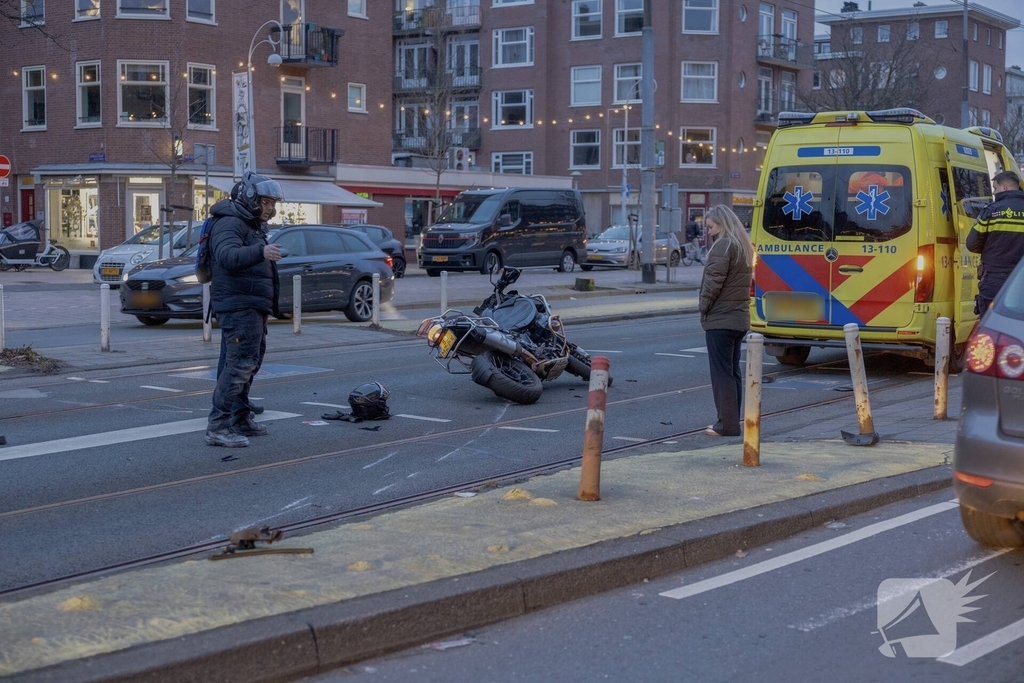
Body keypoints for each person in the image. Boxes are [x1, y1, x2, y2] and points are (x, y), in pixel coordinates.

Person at [205, 171, 285, 448]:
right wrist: (260, 253)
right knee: (240, 365)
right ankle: (218, 426)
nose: (270, 208)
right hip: (239, 305)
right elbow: (227, 257)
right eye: (265, 202)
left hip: (250, 304)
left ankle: (240, 417)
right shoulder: (230, 223)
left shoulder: (250, 224)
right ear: (249, 197)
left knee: (247, 363)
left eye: (272, 203)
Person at [698, 204, 754, 437]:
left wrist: (703, 308)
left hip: (721, 319)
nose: (708, 231)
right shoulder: (743, 246)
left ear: (722, 223)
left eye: (710, 226)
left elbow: (713, 282)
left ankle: (726, 424)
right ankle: (732, 422)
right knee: (732, 373)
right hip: (738, 319)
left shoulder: (723, 245)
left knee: (721, 374)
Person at [967, 170, 1024, 315]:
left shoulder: (991, 211)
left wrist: (992, 247)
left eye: (995, 188)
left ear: (1004, 187)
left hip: (994, 278)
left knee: (992, 326)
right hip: (1021, 279)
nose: (994, 192)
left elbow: (972, 244)